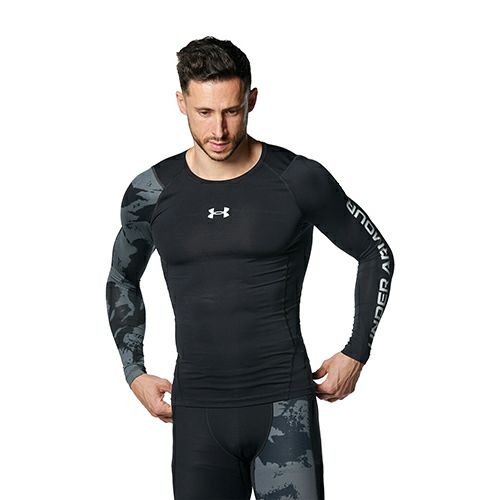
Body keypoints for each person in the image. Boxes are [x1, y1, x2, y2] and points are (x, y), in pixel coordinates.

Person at [105, 35, 395, 500]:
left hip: (284, 406)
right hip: (198, 412)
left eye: (232, 111)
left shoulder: (296, 178)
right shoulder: (151, 192)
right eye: (204, 112)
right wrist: (133, 371)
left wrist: (356, 350)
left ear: (251, 100)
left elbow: (374, 252)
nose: (219, 129)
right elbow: (122, 276)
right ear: (181, 103)